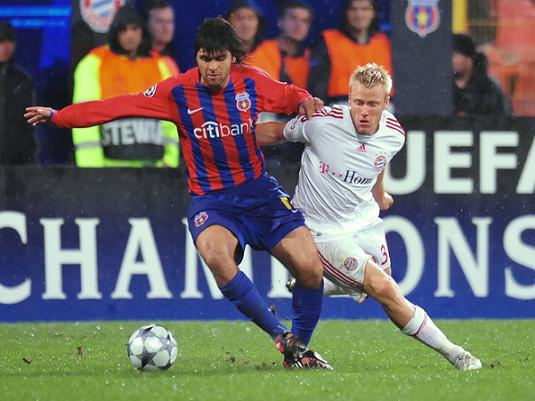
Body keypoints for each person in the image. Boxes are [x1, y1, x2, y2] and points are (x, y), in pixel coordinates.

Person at [25, 17, 331, 370]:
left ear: (233, 58)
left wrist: (306, 100)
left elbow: (291, 94)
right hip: (213, 201)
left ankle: (299, 351)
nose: (212, 67)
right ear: (196, 57)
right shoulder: (177, 92)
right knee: (217, 257)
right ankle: (280, 335)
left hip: (260, 192)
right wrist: (59, 116)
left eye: (219, 59)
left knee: (310, 269)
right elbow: (116, 106)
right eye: (205, 58)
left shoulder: (252, 81)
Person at [255, 63, 482, 370]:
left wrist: (379, 194)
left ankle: (324, 284)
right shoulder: (322, 123)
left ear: (386, 102)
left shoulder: (394, 133)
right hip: (322, 231)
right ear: (349, 97)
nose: (363, 111)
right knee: (384, 289)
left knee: (383, 282)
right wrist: (226, 138)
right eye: (358, 102)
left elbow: (377, 161)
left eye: (372, 104)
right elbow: (277, 133)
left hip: (364, 221)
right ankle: (455, 353)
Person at [71, 5, 179, 167]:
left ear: (142, 30)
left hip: (155, 170)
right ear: (115, 32)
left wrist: (170, 161)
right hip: (109, 171)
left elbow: (172, 119)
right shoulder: (93, 64)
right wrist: (92, 171)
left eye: (134, 28)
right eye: (123, 30)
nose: (130, 35)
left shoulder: (161, 66)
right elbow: (85, 118)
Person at [307, 0, 392, 105]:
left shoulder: (386, 43)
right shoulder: (329, 41)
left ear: (374, 13)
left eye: (365, 9)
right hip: (339, 106)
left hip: (383, 107)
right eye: (353, 9)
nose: (359, 15)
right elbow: (317, 84)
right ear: (345, 13)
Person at [248, 1, 313, 90]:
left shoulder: (311, 56)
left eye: (305, 21)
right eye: (293, 18)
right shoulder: (262, 51)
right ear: (280, 21)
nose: (299, 25)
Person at [0, 20, 35, 165]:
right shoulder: (21, 79)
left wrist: (28, 157)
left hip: (15, 162)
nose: (4, 47)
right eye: (0, 41)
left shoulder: (22, 80)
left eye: (8, 41)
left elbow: (28, 123)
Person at [453, 33, 507, 116]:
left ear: (469, 60)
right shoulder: (441, 88)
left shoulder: (489, 90)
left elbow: (502, 119)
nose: (448, 60)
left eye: (454, 55)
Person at [144, 0, 180, 76]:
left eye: (169, 21)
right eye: (160, 21)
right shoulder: (140, 61)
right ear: (148, 24)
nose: (166, 27)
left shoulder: (171, 61)